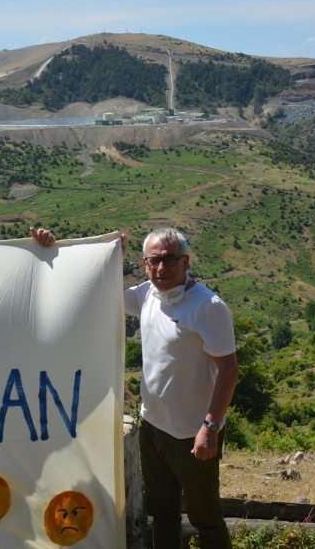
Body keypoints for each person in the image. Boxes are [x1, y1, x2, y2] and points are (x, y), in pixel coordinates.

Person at [123, 227, 239, 549]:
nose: (161, 268)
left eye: (170, 260)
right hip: (153, 427)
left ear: (185, 262)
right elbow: (98, 292)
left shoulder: (208, 306)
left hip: (193, 433)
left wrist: (210, 427)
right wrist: (51, 246)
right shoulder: (145, 294)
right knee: (162, 514)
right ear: (144, 264)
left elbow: (229, 370)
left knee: (205, 518)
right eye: (154, 261)